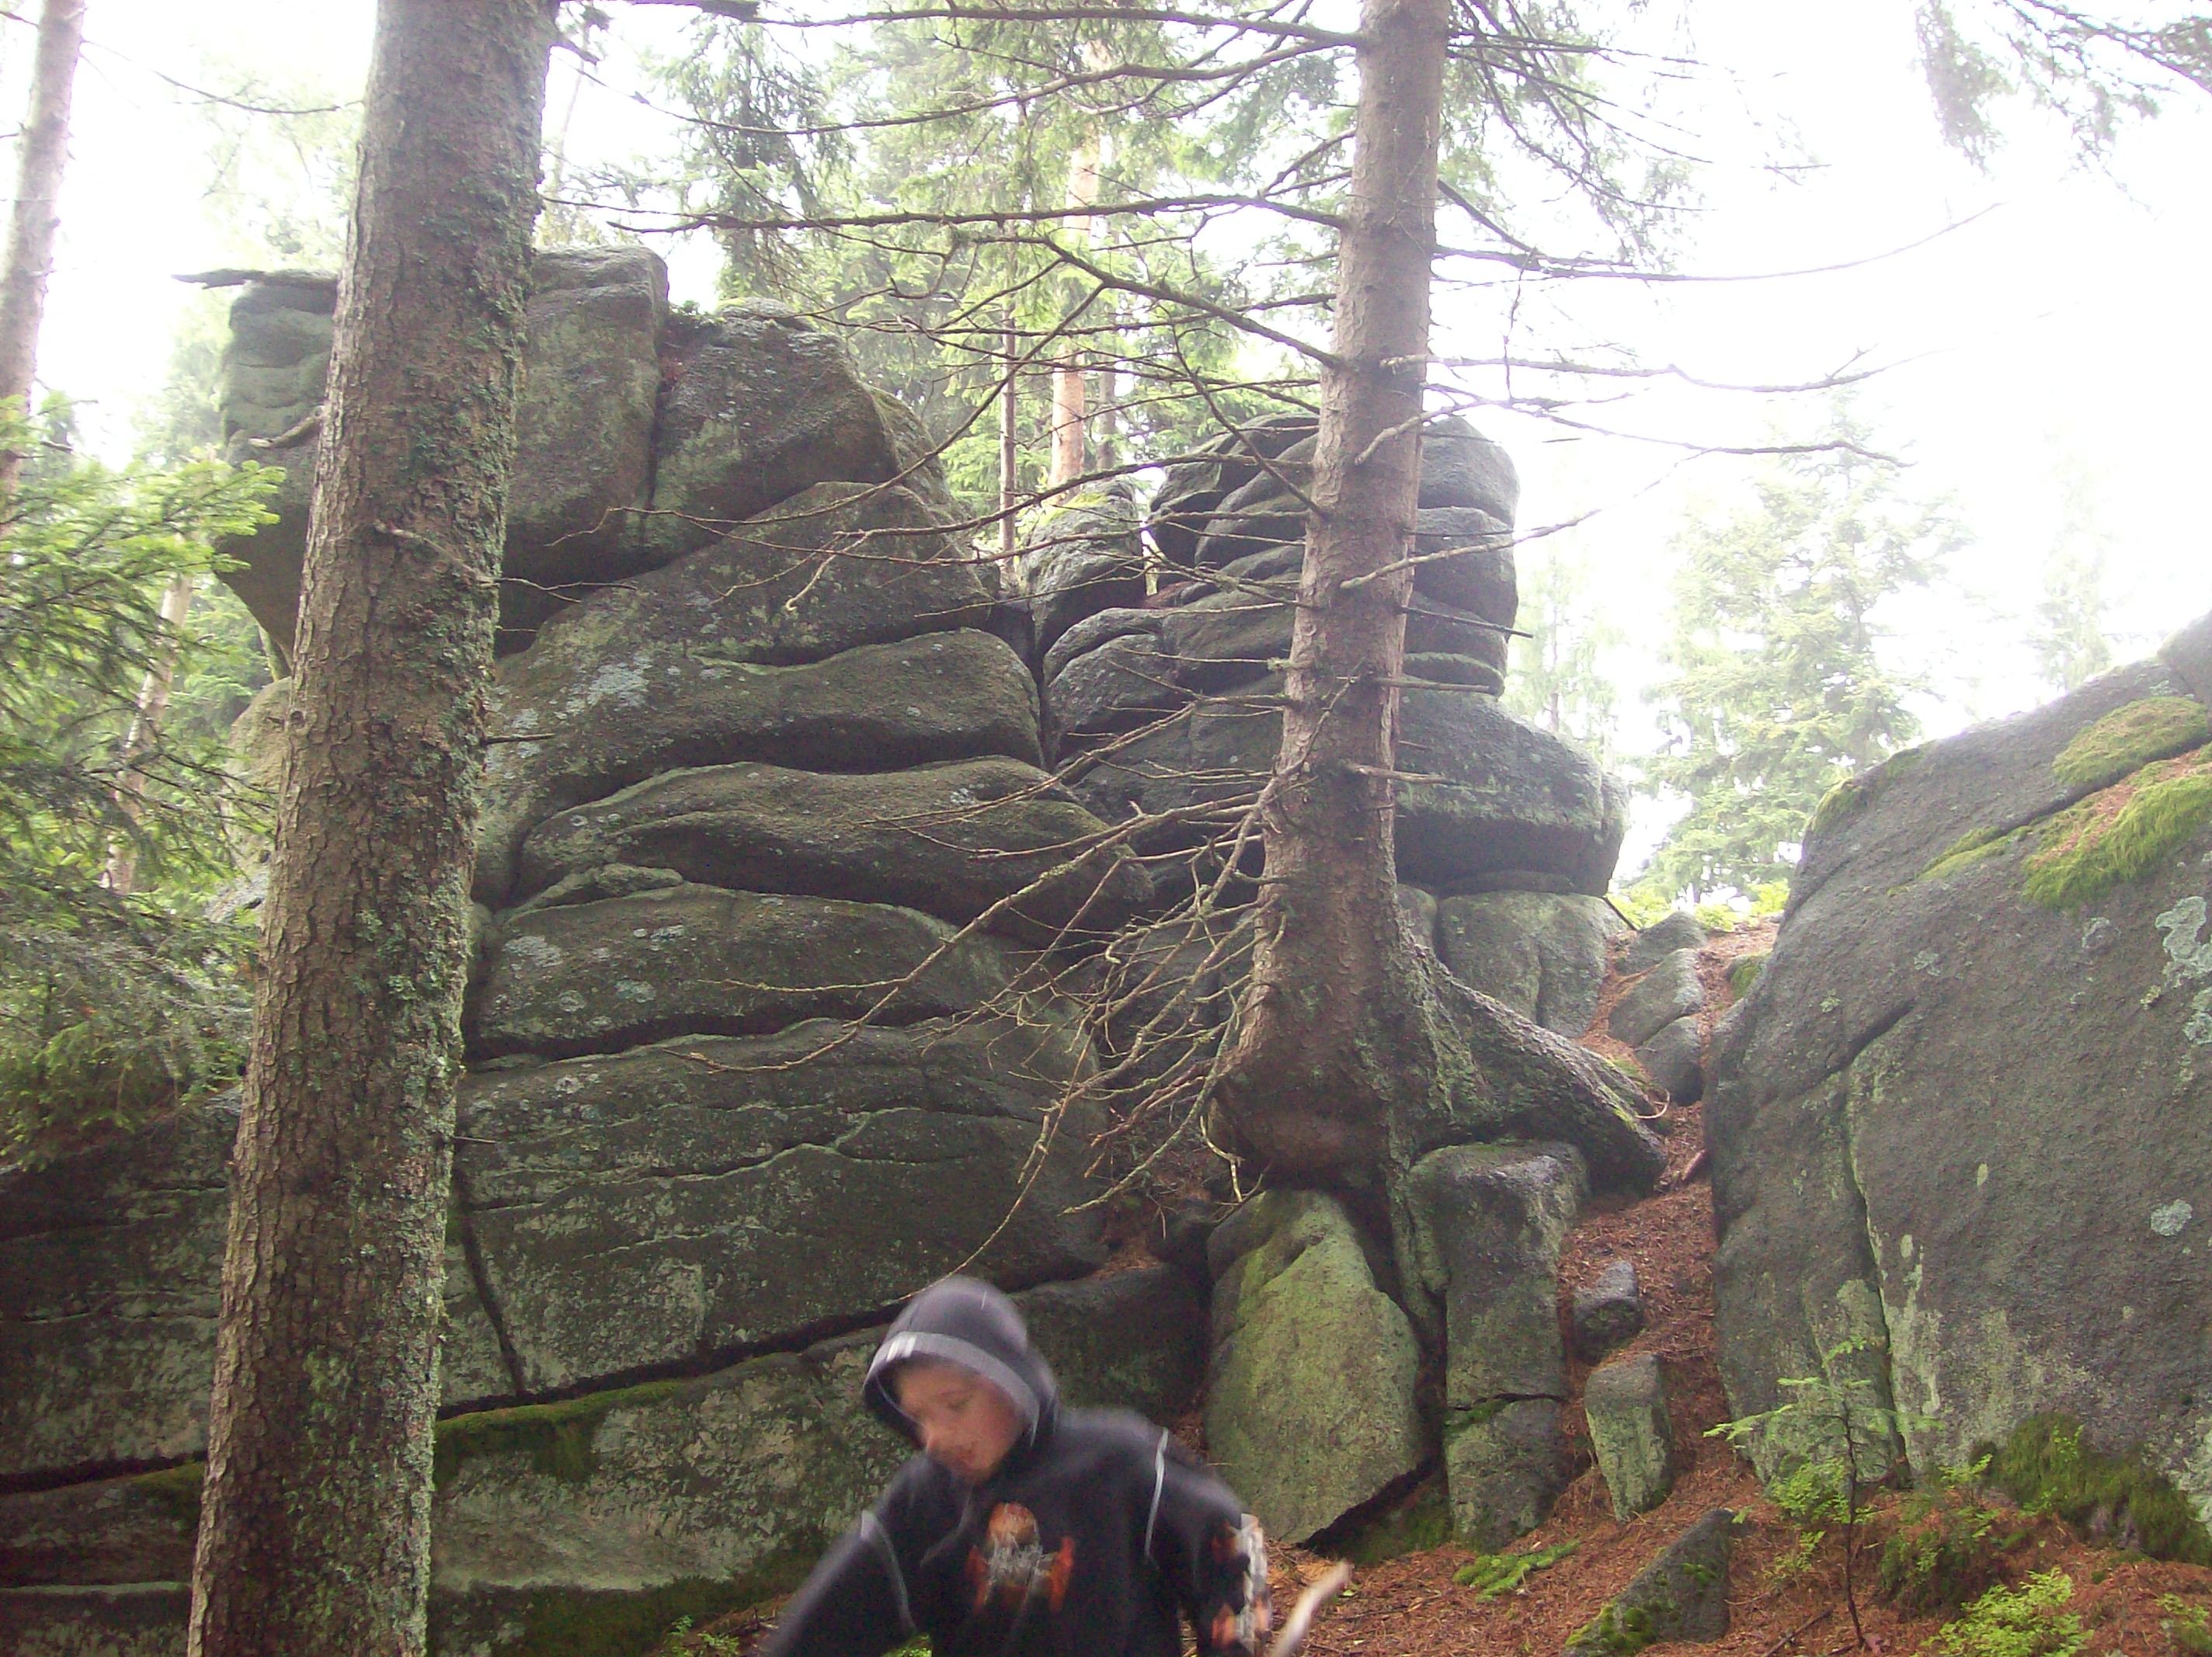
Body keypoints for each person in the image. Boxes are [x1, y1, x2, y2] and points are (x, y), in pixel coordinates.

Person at [760, 1275, 1273, 1657]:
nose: (934, 1437)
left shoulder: (1116, 1462)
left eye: (955, 1404)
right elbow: (827, 1621)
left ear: (1008, 1381)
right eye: (917, 1417)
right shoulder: (925, 1500)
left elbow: (1229, 1538)